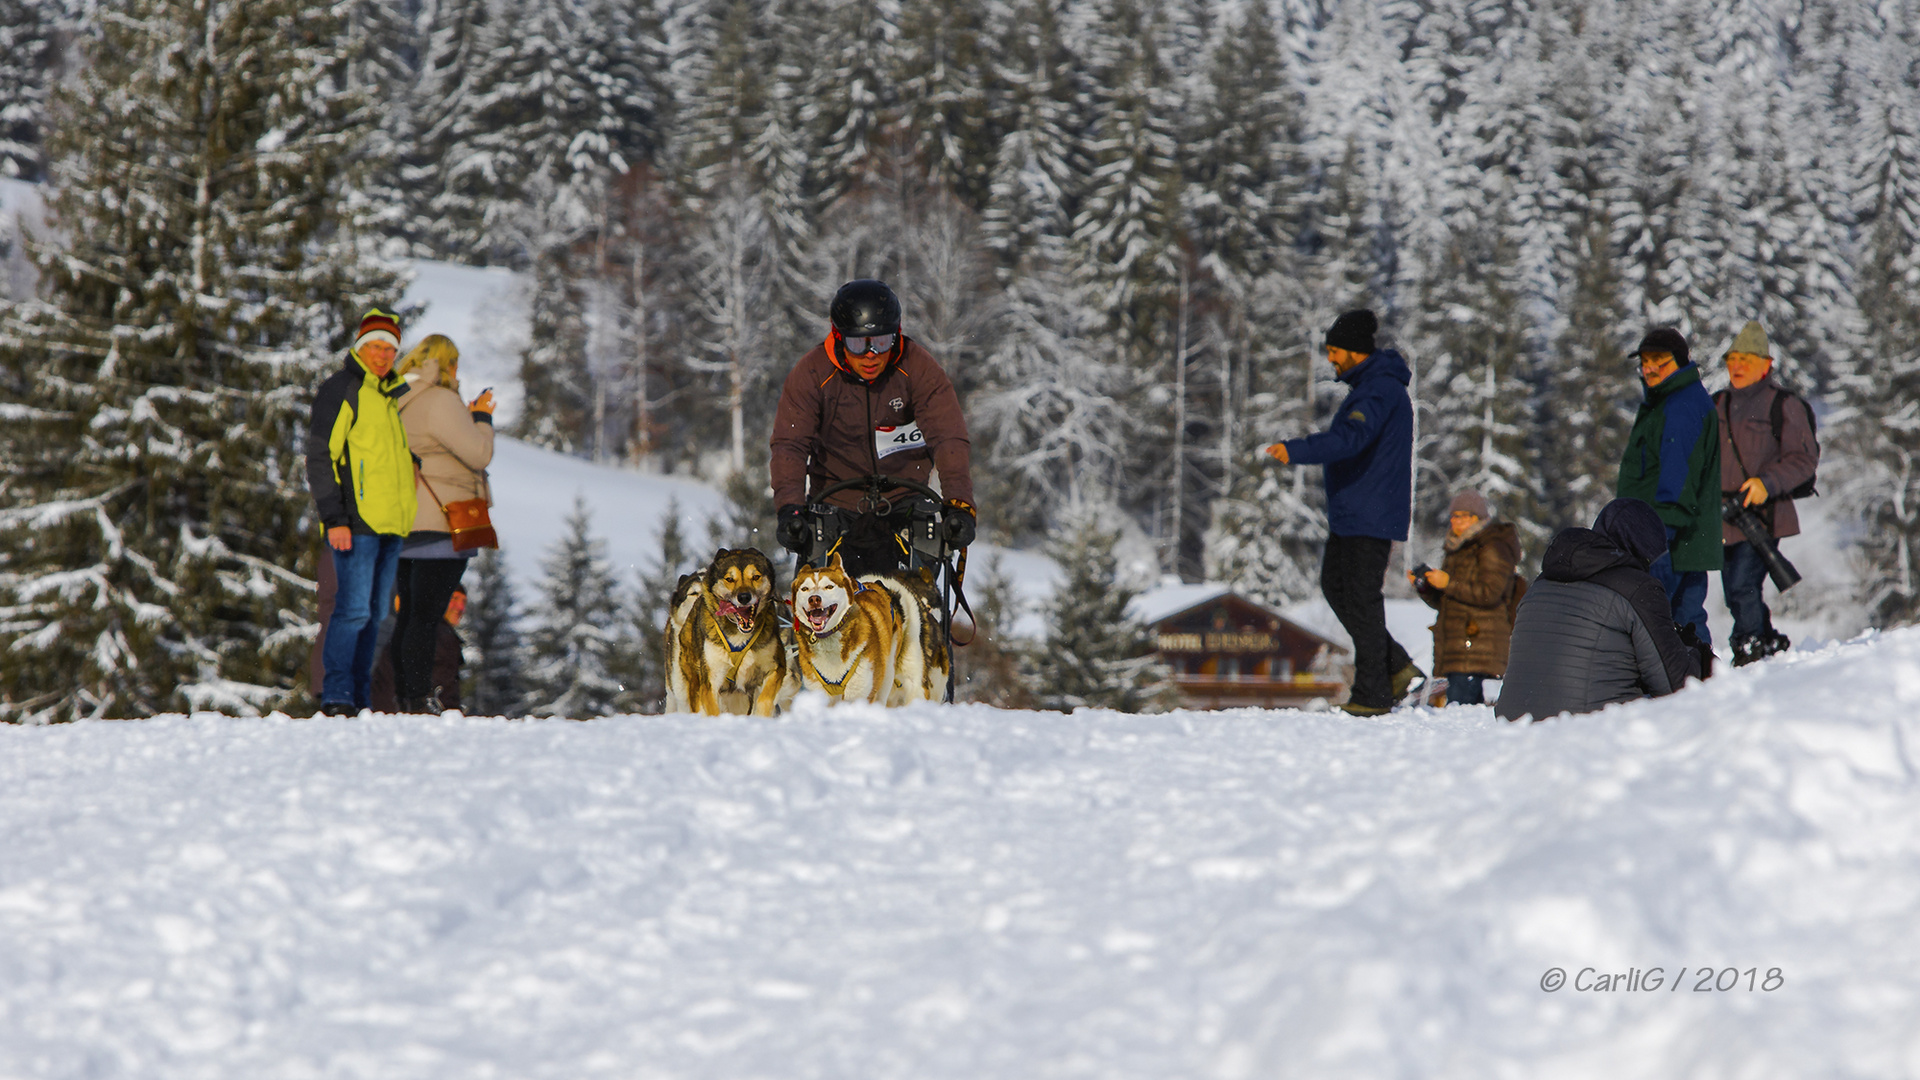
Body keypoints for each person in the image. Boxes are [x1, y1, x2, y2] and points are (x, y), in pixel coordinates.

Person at [1265, 309, 1420, 716]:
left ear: (1353, 351)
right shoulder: (1369, 388)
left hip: (1370, 511)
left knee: (1361, 598)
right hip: (1355, 511)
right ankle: (1397, 666)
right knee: (1337, 587)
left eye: (1334, 351)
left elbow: (1349, 439)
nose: (1330, 359)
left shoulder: (1379, 391)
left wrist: (1296, 450)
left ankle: (1373, 694)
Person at [770, 279, 976, 575]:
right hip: (835, 502)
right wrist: (790, 508)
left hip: (904, 500)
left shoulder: (918, 368)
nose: (870, 355)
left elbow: (949, 438)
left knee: (920, 588)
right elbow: (789, 444)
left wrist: (959, 505)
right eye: (858, 343)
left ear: (897, 334)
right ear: (838, 337)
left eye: (882, 342)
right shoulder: (812, 374)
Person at [1496, 498, 1701, 721]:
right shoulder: (1637, 588)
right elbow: (1675, 686)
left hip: (1514, 724)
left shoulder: (1540, 584)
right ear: (1641, 548)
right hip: (1586, 726)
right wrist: (1695, 652)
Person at [306, 309, 418, 715]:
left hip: (392, 523)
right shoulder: (342, 389)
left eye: (390, 349)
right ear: (360, 347)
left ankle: (360, 696)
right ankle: (337, 694)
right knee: (352, 611)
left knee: (374, 615)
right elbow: (321, 457)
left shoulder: (388, 397)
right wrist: (334, 519)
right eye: (375, 346)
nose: (383, 355)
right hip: (356, 523)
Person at [389, 334, 495, 712]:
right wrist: (481, 417)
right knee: (427, 615)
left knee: (409, 613)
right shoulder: (441, 400)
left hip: (405, 522)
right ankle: (419, 698)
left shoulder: (399, 397)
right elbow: (479, 453)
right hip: (443, 524)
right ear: (448, 364)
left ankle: (404, 693)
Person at [1714, 321, 1818, 666]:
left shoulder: (1785, 405)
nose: (1737, 366)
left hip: (1764, 514)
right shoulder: (1716, 404)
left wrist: (1767, 483)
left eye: (1746, 359)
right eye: (1732, 359)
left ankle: (1749, 648)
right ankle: (1768, 641)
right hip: (1723, 515)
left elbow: (1804, 460)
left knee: (1743, 585)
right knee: (1734, 590)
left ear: (1766, 364)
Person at [1616, 327, 1721, 662]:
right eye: (1645, 361)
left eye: (1659, 360)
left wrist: (1656, 538)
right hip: (1680, 535)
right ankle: (1703, 683)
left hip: (1664, 535)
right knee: (1686, 617)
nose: (1649, 368)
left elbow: (1678, 476)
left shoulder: (1680, 406)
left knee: (1655, 618)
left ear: (1680, 361)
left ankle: (1674, 688)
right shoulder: (1671, 400)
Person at [1409, 489, 1521, 706]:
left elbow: (1490, 593)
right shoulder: (1456, 548)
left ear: (1478, 518)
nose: (1457, 521)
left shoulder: (1493, 546)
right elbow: (1445, 602)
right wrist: (1425, 587)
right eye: (1454, 515)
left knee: (1462, 710)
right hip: (1457, 644)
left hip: (1477, 642)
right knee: (1464, 711)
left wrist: (1447, 583)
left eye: (1464, 516)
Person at [371, 585, 469, 713]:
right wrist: (452, 713)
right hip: (411, 717)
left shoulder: (410, 628)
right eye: (454, 599)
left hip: (385, 711)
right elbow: (441, 689)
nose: (460, 607)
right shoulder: (440, 634)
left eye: (464, 602)